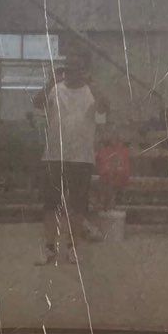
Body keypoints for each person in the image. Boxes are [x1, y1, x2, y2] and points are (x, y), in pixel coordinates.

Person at [33, 53, 108, 265]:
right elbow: (37, 102)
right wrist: (51, 81)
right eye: (68, 68)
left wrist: (93, 84)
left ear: (83, 71)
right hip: (54, 156)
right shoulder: (55, 89)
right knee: (50, 205)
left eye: (76, 69)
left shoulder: (91, 92)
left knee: (78, 207)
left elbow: (104, 107)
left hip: (82, 158)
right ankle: (49, 248)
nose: (71, 73)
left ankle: (72, 248)